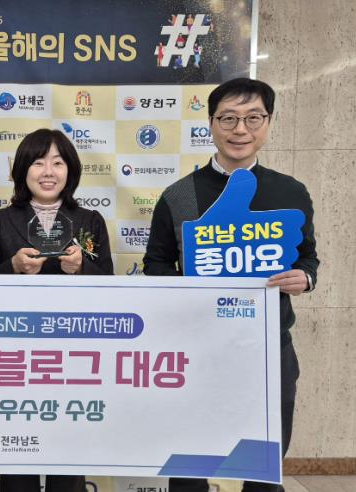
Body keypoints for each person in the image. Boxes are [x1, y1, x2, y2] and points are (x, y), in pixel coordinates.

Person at [142, 78, 319, 492]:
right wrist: (193, 289)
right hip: (197, 347)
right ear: (210, 123)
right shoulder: (179, 195)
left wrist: (305, 277)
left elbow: (307, 257)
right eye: (228, 118)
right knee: (190, 462)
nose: (241, 129)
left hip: (268, 345)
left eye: (253, 118)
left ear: (268, 123)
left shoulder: (291, 192)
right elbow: (156, 265)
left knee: (264, 465)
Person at [0, 128, 114, 492]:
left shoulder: (90, 221)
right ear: (23, 169)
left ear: (71, 170)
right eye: (38, 162)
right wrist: (12, 267)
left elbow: (112, 292)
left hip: (73, 357)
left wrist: (82, 269)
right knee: (17, 460)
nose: (48, 171)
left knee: (67, 462)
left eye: (58, 162)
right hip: (14, 357)